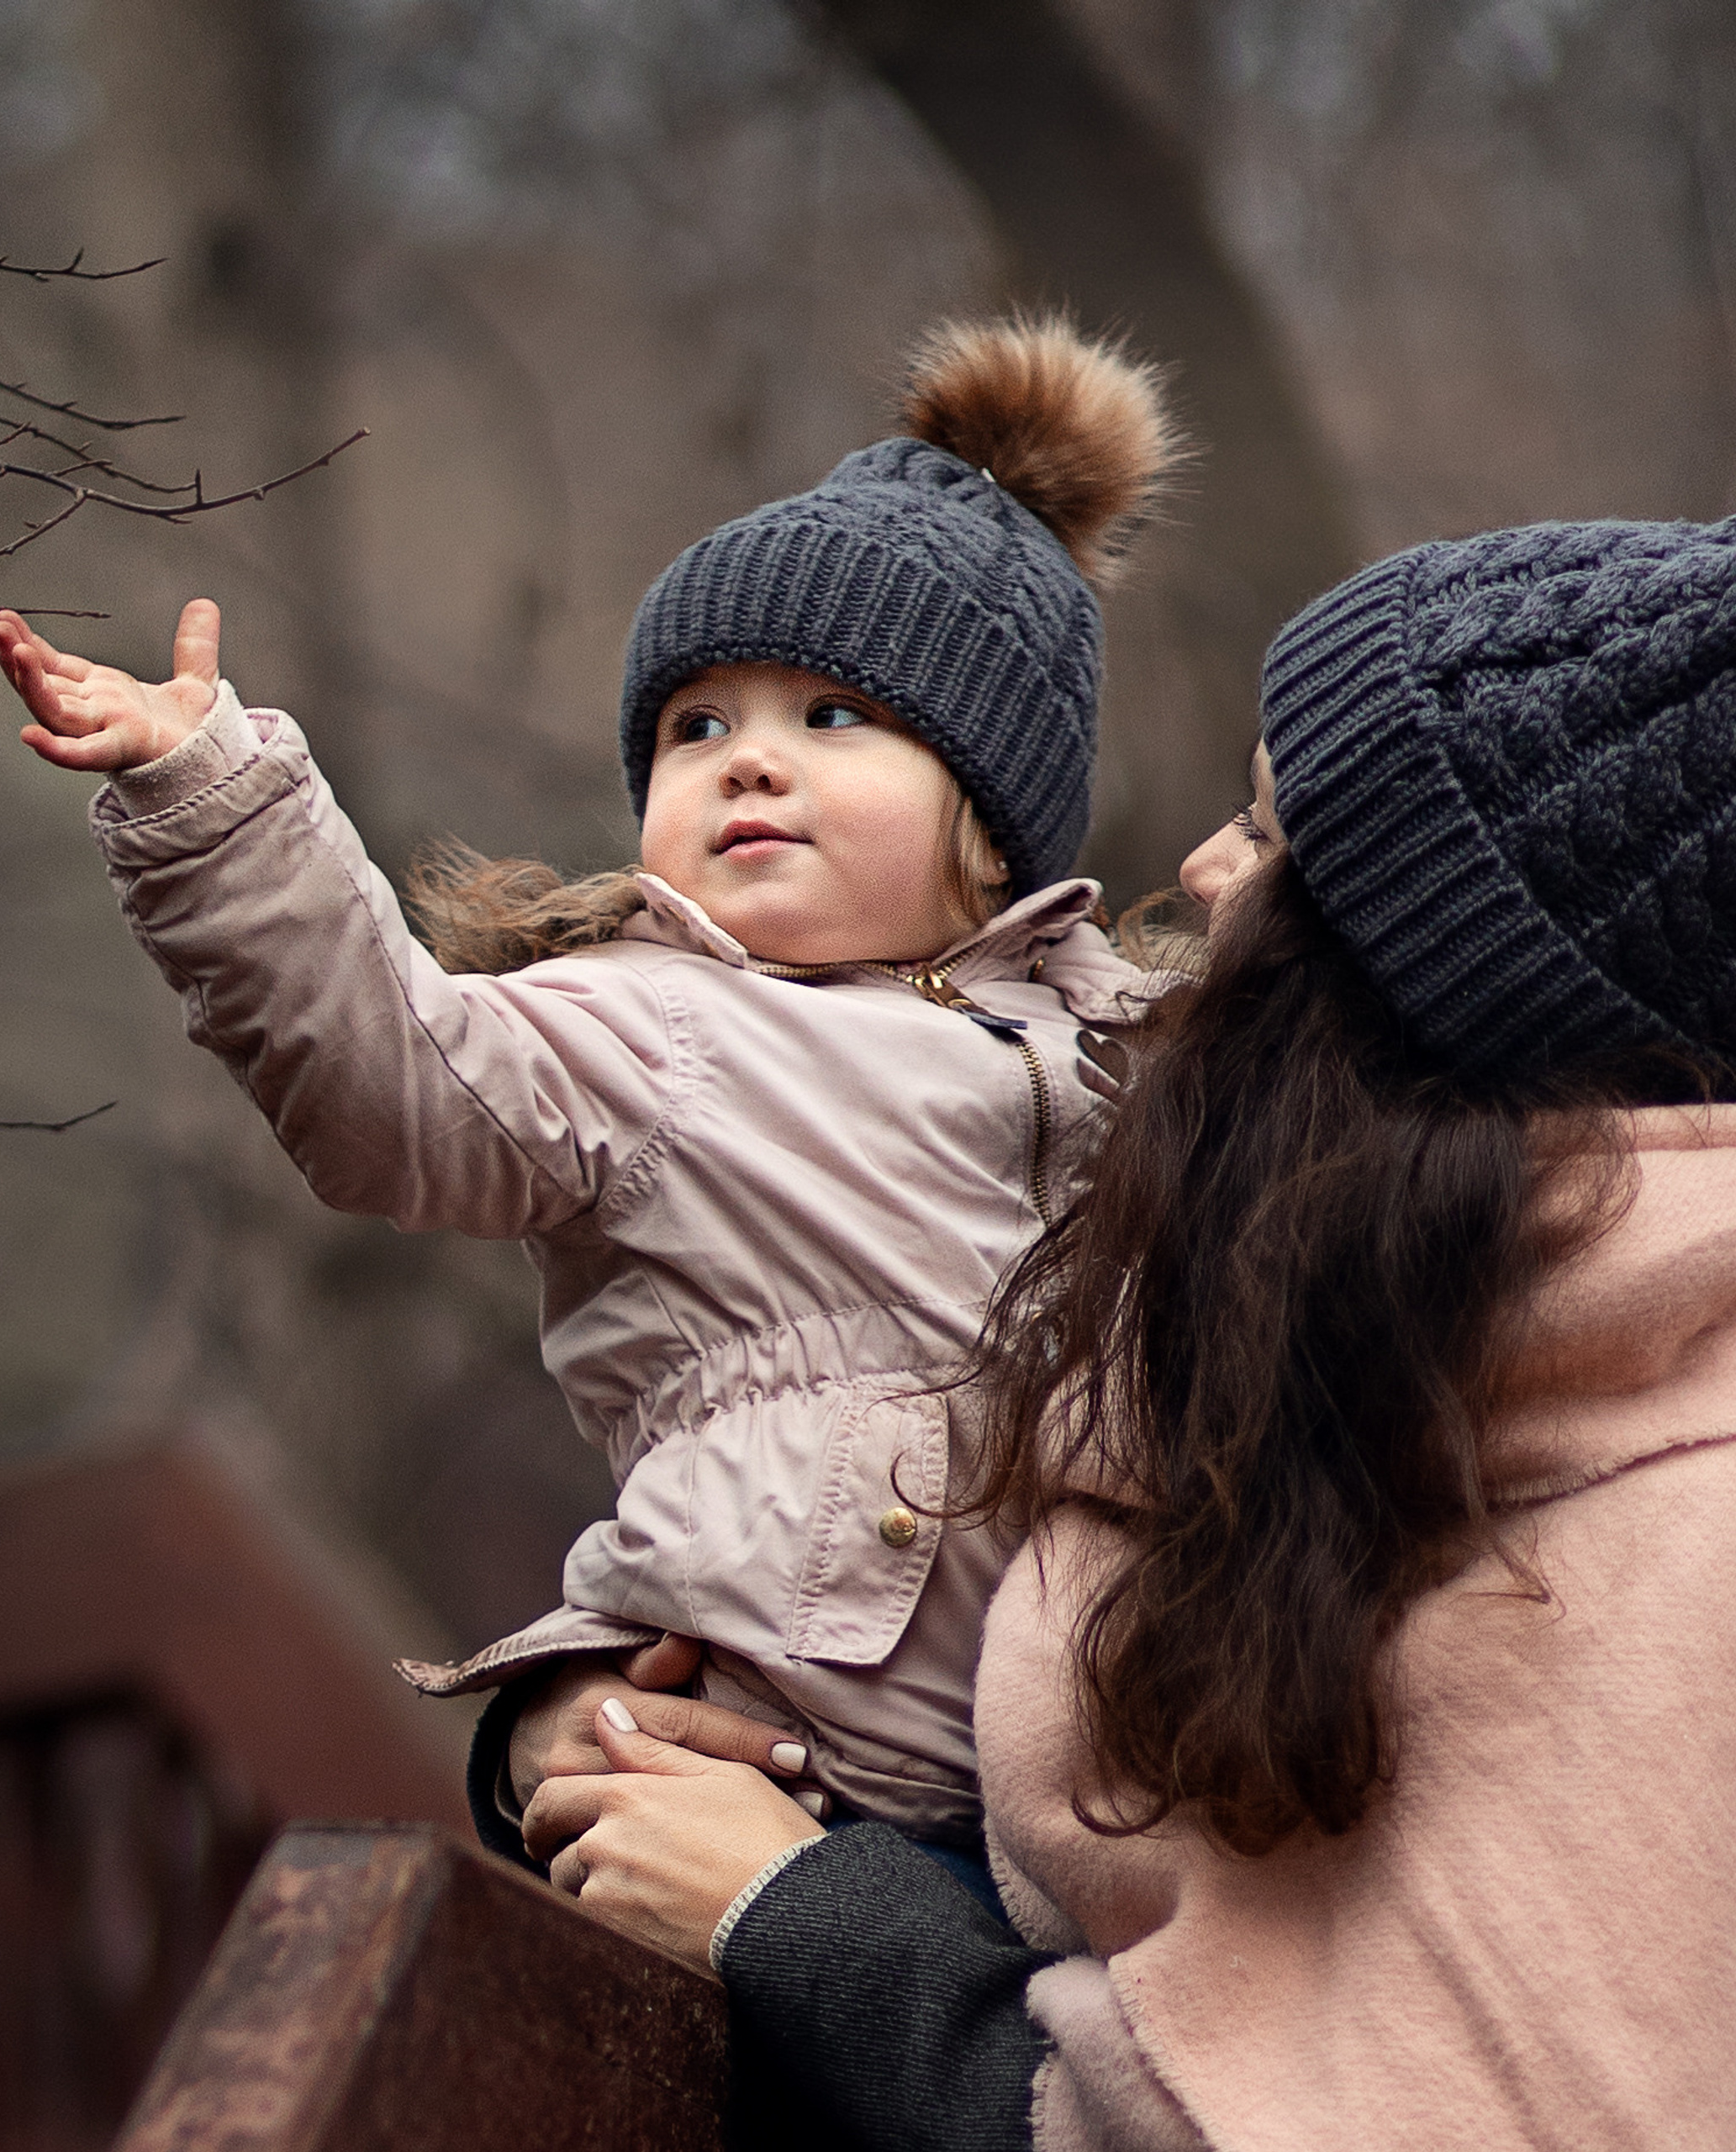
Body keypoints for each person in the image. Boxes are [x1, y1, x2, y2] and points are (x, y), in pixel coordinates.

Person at [514, 510, 1736, 2151]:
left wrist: (802, 1916)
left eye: (1266, 826)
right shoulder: (1300, 1325)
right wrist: (589, 1718)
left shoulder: (1672, 1536)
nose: (1198, 872)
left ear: (1413, 982)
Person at [0, 315, 1177, 1896]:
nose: (749, 763)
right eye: (700, 728)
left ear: (999, 812)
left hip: (1089, 1780)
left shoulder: (1133, 1055)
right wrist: (215, 805)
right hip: (781, 1756)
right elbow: (386, 1086)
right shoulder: (647, 1024)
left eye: (832, 719)